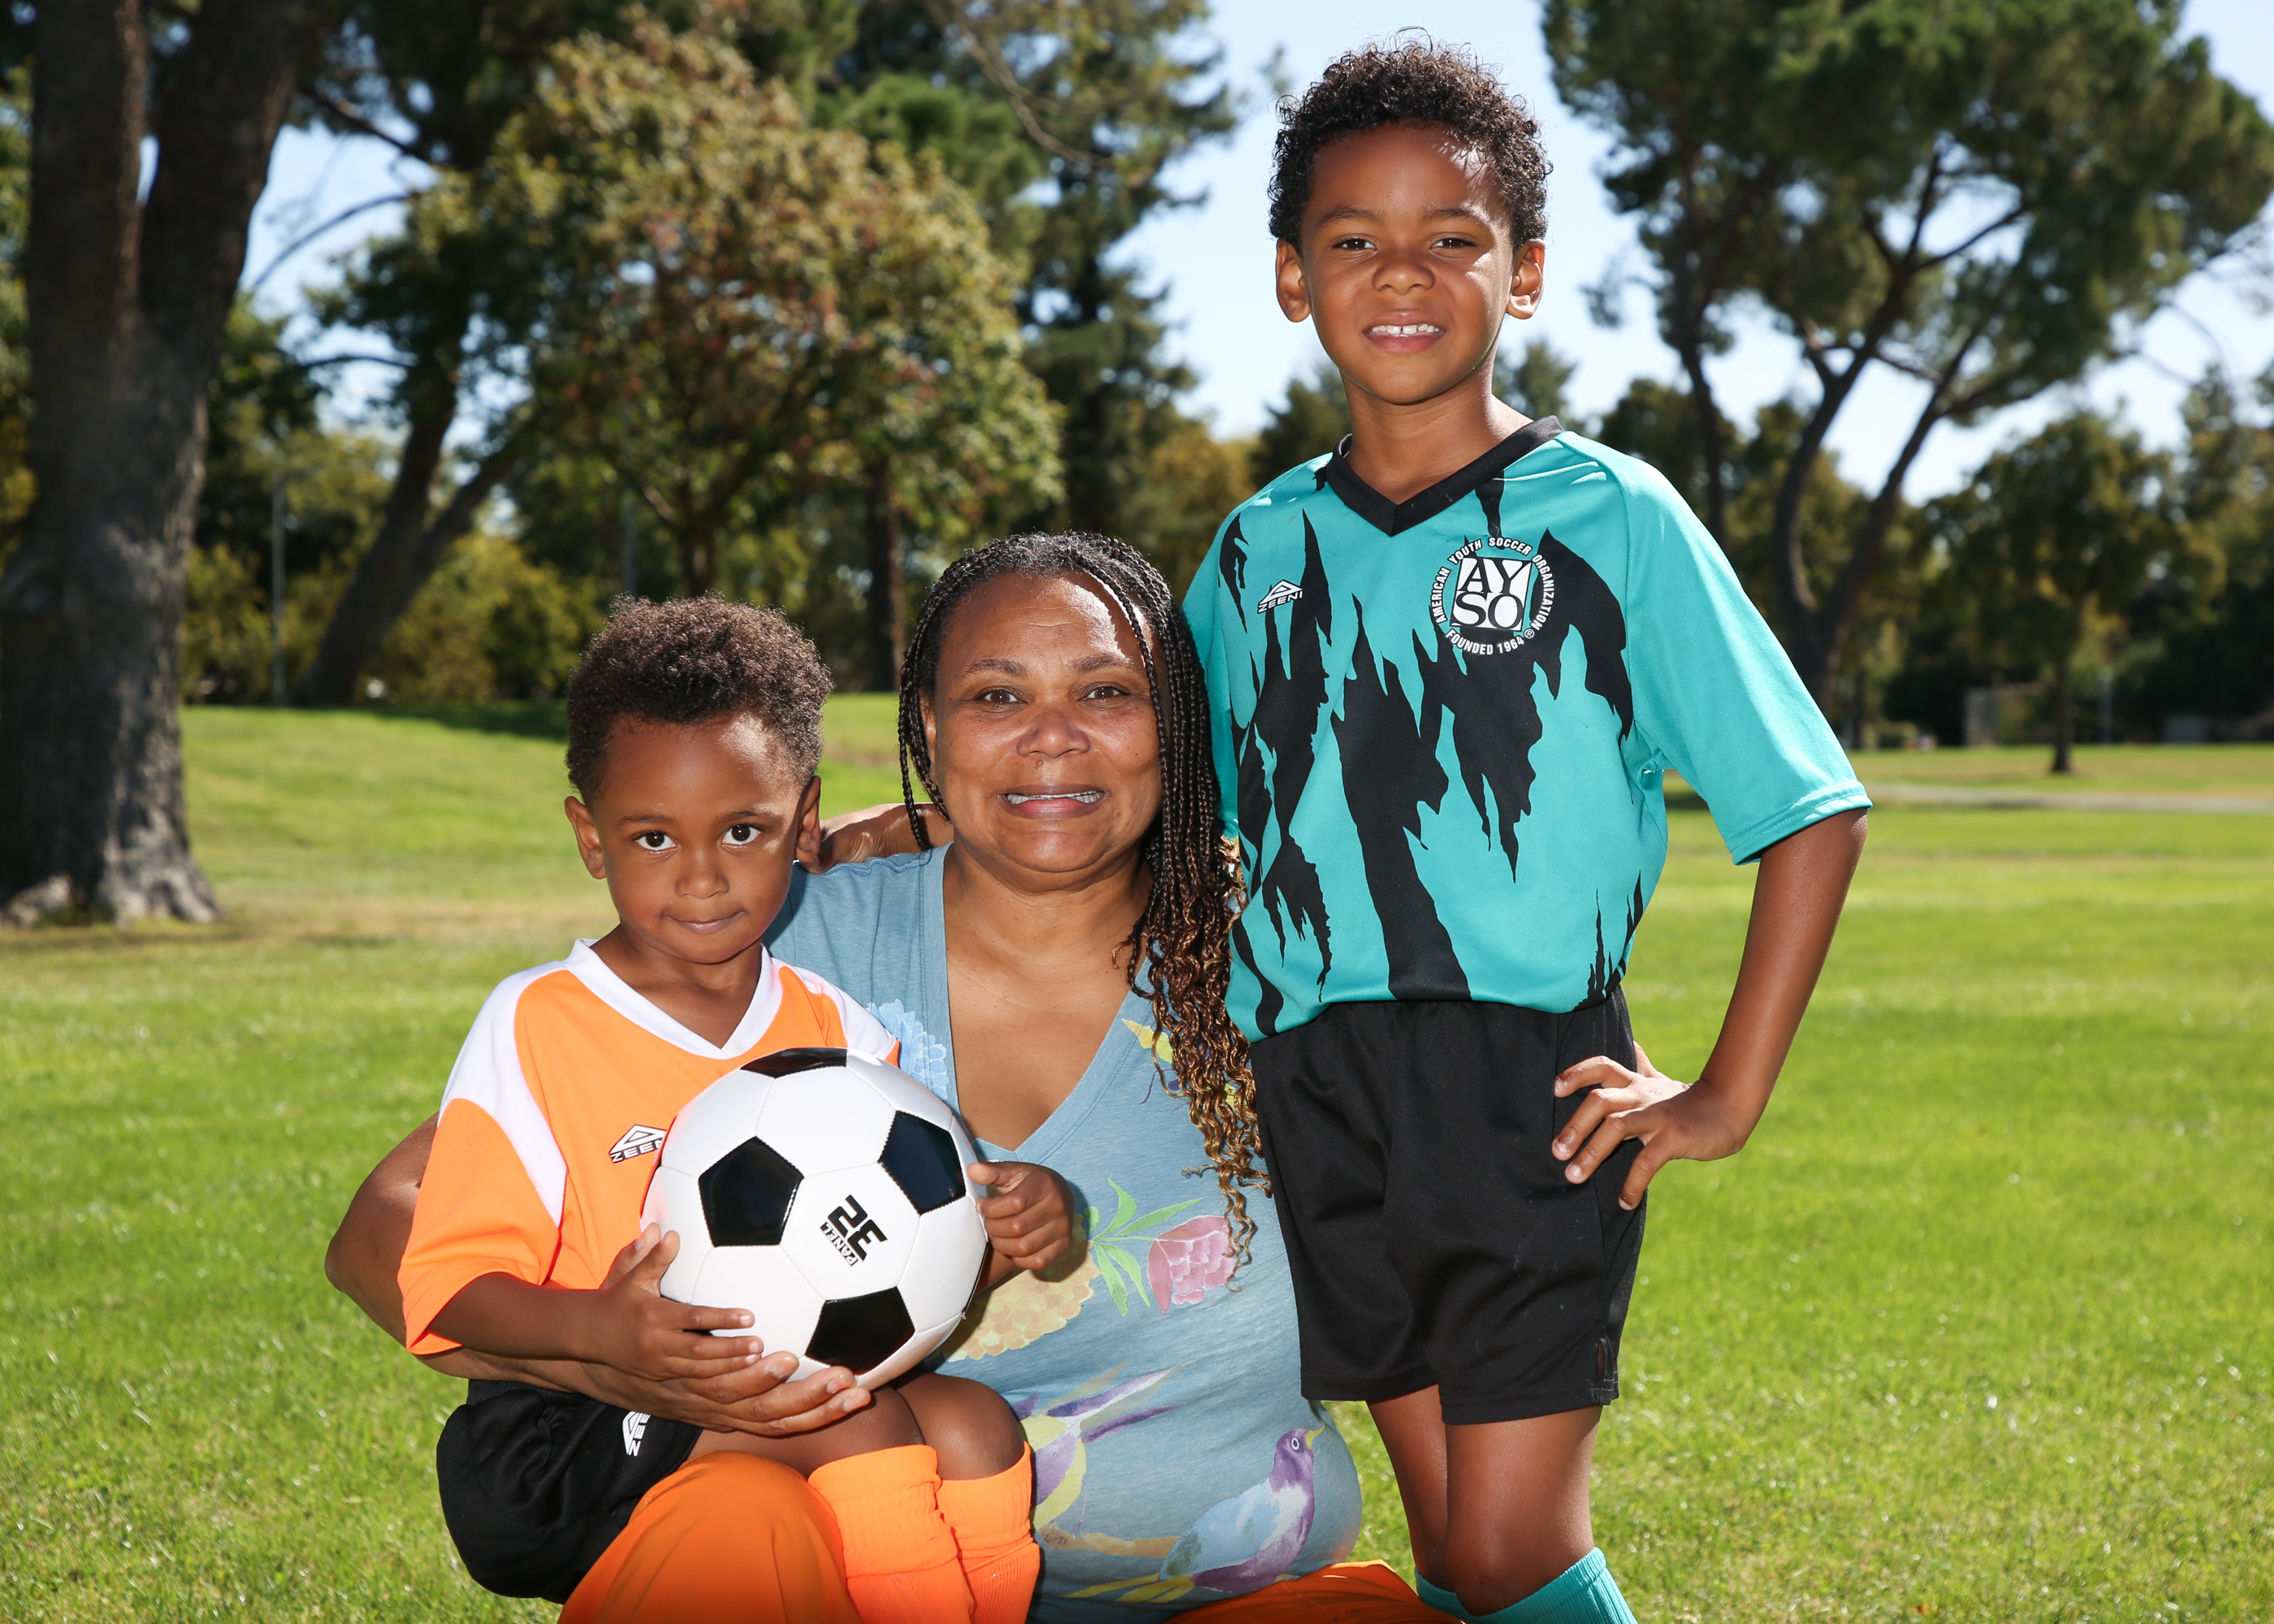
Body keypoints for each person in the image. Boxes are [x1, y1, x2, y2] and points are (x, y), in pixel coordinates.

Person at [327, 535, 1450, 1622]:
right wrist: (632, 1373)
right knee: (734, 1519)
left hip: (1241, 1595)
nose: (1051, 737)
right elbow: (387, 1231)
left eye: (1106, 692)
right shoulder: (777, 944)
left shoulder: (1281, 957)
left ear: (1174, 723)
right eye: (997, 696)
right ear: (930, 724)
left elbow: (1449, 1229)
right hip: (827, 1568)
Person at [1178, 41, 1872, 1624]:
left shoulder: (1607, 515)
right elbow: (1155, 788)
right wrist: (904, 826)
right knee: (1449, 1556)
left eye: (1452, 236)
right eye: (1352, 237)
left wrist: (1724, 1092)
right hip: (1310, 1086)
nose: (1400, 271)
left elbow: (1809, 811)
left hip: (1527, 1089)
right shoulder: (1256, 545)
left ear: (1526, 272)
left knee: (1510, 1551)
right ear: (1290, 278)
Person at [394, 596, 1060, 1623]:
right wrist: (602, 1327)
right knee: (862, 1430)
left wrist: (1007, 1227)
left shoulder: (831, 1024)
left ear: (804, 821)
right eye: (653, 836)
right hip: (566, 1424)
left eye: (743, 830)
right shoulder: (537, 1021)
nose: (702, 876)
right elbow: (446, 1287)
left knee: (976, 1426)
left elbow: (899, 1254)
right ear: (591, 837)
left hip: (772, 1387)